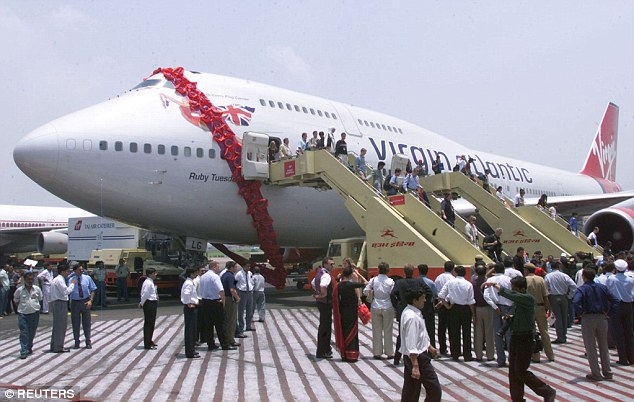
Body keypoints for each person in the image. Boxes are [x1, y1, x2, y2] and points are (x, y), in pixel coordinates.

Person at [484, 277, 557, 402]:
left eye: (515, 289)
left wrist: (496, 285)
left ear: (522, 289)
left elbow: (511, 295)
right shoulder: (519, 302)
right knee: (513, 372)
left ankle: (546, 391)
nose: (513, 291)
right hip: (516, 337)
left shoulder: (527, 299)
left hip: (525, 339)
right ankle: (517, 399)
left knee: (520, 371)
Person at [573, 267, 619, 381]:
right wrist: (608, 312)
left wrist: (581, 313)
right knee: (603, 345)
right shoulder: (602, 287)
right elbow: (615, 300)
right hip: (602, 317)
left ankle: (596, 374)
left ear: (583, 277)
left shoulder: (582, 289)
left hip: (588, 317)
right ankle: (607, 372)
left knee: (591, 347)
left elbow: (575, 302)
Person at [399, 285, 442, 402]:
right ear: (415, 300)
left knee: (411, 390)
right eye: (422, 298)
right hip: (418, 357)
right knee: (434, 389)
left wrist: (429, 346)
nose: (425, 300)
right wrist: (415, 366)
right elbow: (411, 343)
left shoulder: (411, 311)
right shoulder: (411, 317)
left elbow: (420, 334)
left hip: (415, 356)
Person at [391, 265, 431, 365]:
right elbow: (429, 291)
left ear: (404, 272)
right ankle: (419, 353)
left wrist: (396, 305)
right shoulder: (419, 281)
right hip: (416, 309)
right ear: (413, 272)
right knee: (419, 333)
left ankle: (397, 357)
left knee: (402, 334)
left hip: (403, 310)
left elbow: (392, 294)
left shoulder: (399, 282)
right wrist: (425, 304)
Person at [437, 265, 475, 361]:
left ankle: (455, 353)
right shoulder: (468, 284)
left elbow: (441, 295)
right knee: (466, 332)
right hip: (465, 309)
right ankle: (467, 354)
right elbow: (471, 301)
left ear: (456, 272)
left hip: (453, 308)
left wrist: (447, 305)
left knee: (454, 331)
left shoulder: (450, 282)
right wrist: (473, 314)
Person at [333, 265, 366, 362]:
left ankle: (345, 354)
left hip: (343, 311)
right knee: (352, 332)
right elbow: (366, 283)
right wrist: (359, 275)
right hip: (351, 311)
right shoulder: (351, 285)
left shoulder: (339, 285)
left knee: (345, 331)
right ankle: (352, 354)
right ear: (350, 274)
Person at [483, 261, 513, 367]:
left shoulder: (490, 280)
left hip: (496, 308)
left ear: (494, 270)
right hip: (508, 307)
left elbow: (486, 296)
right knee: (509, 334)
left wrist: (494, 307)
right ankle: (511, 359)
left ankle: (501, 360)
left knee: (498, 334)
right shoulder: (509, 280)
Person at [524, 263, 555, 363]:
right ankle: (550, 355)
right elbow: (545, 296)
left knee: (532, 333)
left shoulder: (524, 280)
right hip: (540, 307)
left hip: (529, 308)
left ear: (527, 270)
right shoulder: (540, 279)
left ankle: (535, 355)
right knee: (544, 332)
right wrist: (549, 308)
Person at [364, 262, 395, 359]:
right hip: (387, 305)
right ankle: (389, 352)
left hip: (375, 305)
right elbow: (392, 294)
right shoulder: (390, 281)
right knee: (388, 330)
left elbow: (365, 292)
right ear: (387, 270)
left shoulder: (373, 280)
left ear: (378, 269)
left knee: (376, 330)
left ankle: (377, 352)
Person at [606, 259, 634, 365]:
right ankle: (631, 357)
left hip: (616, 306)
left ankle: (623, 358)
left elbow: (608, 292)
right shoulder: (631, 279)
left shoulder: (611, 279)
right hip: (628, 306)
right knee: (629, 332)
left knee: (618, 333)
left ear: (616, 268)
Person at [544, 261, 577, 344]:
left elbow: (546, 287)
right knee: (564, 317)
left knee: (557, 318)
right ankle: (564, 335)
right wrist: (569, 296)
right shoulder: (564, 276)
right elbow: (574, 286)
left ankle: (560, 336)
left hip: (553, 297)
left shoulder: (548, 276)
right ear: (559, 267)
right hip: (564, 297)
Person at [14, 271, 43, 359]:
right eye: (28, 279)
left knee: (32, 332)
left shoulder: (37, 289)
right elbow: (16, 301)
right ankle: (23, 350)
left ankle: (29, 347)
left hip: (34, 313)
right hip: (23, 314)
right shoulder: (19, 290)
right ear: (24, 279)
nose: (30, 281)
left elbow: (40, 299)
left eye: (32, 279)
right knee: (24, 332)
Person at [68, 262, 97, 349]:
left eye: (82, 269)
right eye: (79, 269)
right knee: (75, 323)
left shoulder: (87, 278)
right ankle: (76, 341)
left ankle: (88, 341)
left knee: (87, 323)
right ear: (75, 271)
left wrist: (90, 301)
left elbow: (93, 289)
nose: (81, 271)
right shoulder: (70, 279)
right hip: (75, 302)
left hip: (85, 301)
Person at [49, 263, 75, 353]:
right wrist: (72, 284)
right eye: (67, 271)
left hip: (57, 302)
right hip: (60, 302)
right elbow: (65, 291)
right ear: (63, 271)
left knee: (57, 325)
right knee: (61, 325)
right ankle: (58, 347)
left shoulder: (56, 279)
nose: (68, 273)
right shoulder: (60, 280)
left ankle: (54, 345)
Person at [472, 264, 495, 362]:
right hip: (488, 308)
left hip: (477, 308)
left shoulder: (473, 282)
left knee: (478, 332)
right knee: (489, 332)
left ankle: (478, 355)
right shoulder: (488, 282)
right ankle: (490, 355)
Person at [312, 257, 334, 359]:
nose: (333, 266)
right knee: (326, 327)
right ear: (325, 264)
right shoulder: (326, 275)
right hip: (326, 303)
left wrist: (317, 293)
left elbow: (313, 283)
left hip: (321, 303)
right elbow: (322, 285)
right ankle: (324, 350)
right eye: (331, 264)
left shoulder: (319, 273)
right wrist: (323, 294)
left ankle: (323, 349)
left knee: (323, 325)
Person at [434, 261, 456, 355]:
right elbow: (451, 293)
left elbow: (436, 291)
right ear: (452, 268)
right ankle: (453, 348)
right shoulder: (452, 278)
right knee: (452, 328)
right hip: (449, 304)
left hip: (440, 304)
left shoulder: (438, 278)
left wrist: (439, 302)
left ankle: (442, 348)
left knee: (441, 328)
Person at [221, 261, 242, 349]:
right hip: (230, 299)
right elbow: (232, 290)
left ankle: (228, 339)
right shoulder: (230, 276)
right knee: (231, 320)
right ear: (232, 267)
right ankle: (230, 340)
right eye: (235, 267)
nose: (237, 269)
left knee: (227, 319)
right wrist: (237, 298)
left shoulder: (224, 275)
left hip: (225, 298)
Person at [181, 267, 200, 358]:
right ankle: (190, 352)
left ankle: (192, 349)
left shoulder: (189, 282)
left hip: (192, 307)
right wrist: (189, 303)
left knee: (193, 330)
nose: (197, 274)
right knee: (190, 330)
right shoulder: (188, 283)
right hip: (190, 308)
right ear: (191, 273)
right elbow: (186, 293)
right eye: (195, 273)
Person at [418, 264, 438, 349]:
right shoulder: (430, 282)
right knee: (430, 328)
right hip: (429, 306)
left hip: (418, 306)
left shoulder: (416, 281)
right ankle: (432, 347)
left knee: (419, 327)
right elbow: (435, 295)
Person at [140, 267, 159, 350]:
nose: (156, 275)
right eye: (154, 273)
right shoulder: (147, 282)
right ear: (150, 274)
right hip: (149, 303)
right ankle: (147, 343)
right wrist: (141, 303)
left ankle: (149, 340)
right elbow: (145, 294)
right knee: (148, 323)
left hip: (152, 303)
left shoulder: (150, 282)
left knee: (151, 323)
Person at [235, 262, 255, 335]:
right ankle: (241, 327)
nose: (249, 268)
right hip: (242, 292)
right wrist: (237, 291)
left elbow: (251, 281)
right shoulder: (239, 274)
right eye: (247, 266)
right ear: (243, 266)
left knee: (249, 310)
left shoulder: (250, 273)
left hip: (249, 292)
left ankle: (248, 326)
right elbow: (235, 283)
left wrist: (251, 287)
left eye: (249, 266)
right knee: (241, 311)